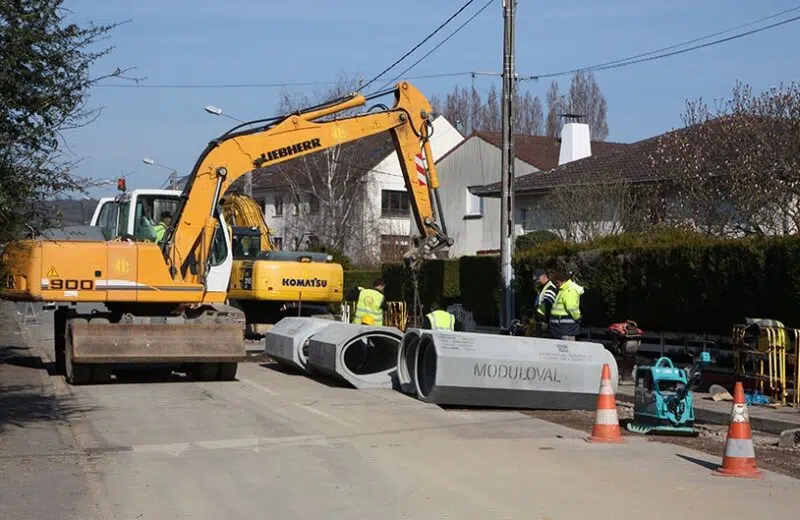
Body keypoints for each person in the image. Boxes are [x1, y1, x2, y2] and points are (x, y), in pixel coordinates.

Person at [548, 269, 585, 341]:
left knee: (567, 350)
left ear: (563, 280)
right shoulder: (563, 289)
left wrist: (577, 318)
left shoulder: (570, 290)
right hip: (560, 328)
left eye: (557, 283)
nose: (556, 285)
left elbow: (572, 307)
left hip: (566, 329)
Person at [533, 268, 557, 337]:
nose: (537, 281)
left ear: (544, 276)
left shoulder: (550, 287)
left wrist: (544, 320)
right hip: (541, 322)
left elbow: (548, 304)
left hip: (545, 323)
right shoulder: (543, 287)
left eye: (538, 279)